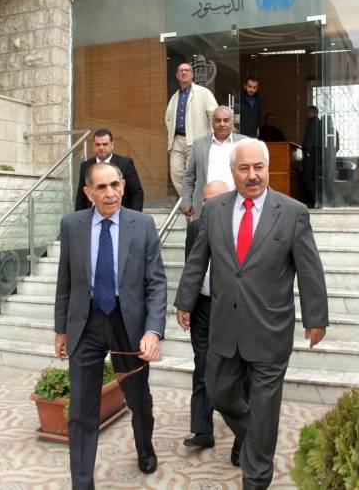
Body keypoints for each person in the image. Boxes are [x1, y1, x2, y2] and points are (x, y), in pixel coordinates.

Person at [174, 138, 328, 489]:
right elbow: (198, 260)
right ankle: (257, 434)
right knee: (217, 392)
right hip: (225, 327)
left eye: (258, 167)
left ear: (267, 168)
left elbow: (310, 269)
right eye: (244, 168)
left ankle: (256, 477)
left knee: (265, 404)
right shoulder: (215, 209)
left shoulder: (292, 212)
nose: (252, 174)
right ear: (233, 172)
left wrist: (316, 317)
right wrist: (185, 301)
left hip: (270, 328)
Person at [55, 162, 167, 489]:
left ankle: (144, 446)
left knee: (138, 398)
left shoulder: (142, 225)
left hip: (127, 324)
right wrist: (61, 329)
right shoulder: (72, 225)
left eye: (115, 185)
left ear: (123, 186)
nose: (110, 193)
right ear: (88, 192)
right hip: (86, 324)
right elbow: (65, 280)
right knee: (81, 408)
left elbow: (156, 283)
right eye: (101, 187)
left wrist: (153, 330)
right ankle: (82, 483)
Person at [181, 180, 230, 450]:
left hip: (231, 309)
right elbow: (191, 267)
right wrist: (185, 304)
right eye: (206, 202)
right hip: (202, 306)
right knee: (202, 365)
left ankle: (242, 432)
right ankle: (202, 430)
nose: (210, 207)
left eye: (216, 201)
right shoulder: (195, 227)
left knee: (234, 370)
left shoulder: (240, 226)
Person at [181, 105, 246, 218]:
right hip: (206, 206)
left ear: (232, 122)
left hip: (237, 205)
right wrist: (186, 201)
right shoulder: (199, 144)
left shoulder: (244, 143)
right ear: (212, 123)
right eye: (218, 120)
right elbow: (189, 176)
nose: (222, 124)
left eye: (226, 120)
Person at [164, 62, 218, 195]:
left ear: (192, 74)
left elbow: (214, 115)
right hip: (177, 141)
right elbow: (168, 118)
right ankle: (188, 200)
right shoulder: (175, 97)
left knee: (193, 175)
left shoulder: (204, 93)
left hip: (196, 140)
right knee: (176, 174)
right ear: (177, 75)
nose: (184, 72)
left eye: (187, 70)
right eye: (181, 70)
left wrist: (213, 138)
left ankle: (193, 203)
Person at [75, 128, 144, 212]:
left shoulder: (125, 163)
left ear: (112, 145)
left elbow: (136, 192)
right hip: (92, 215)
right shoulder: (85, 166)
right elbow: (81, 195)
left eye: (105, 144)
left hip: (119, 215)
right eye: (97, 144)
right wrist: (79, 217)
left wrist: (134, 216)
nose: (101, 148)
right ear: (93, 145)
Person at [301, 106, 322, 208]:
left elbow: (310, 136)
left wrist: (307, 151)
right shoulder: (320, 123)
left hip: (312, 151)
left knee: (306, 176)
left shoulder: (312, 122)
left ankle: (316, 199)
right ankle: (314, 201)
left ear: (311, 112)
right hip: (317, 152)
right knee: (313, 177)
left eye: (307, 112)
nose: (306, 115)